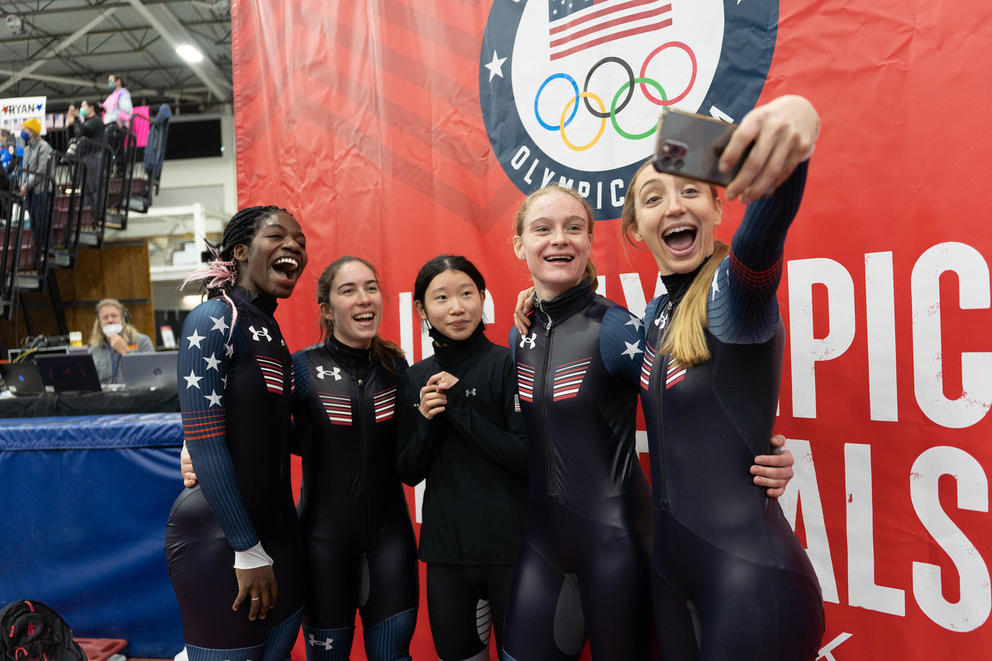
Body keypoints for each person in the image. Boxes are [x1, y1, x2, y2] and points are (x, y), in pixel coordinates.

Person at [504, 184, 796, 660]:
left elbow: (695, 393)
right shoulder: (523, 331)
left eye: (574, 228)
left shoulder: (616, 327)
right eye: (543, 229)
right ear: (521, 244)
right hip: (544, 544)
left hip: (616, 544)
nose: (559, 239)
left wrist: (759, 452)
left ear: (589, 242)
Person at [623, 94, 825, 659]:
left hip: (752, 580)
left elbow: (765, 235)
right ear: (637, 228)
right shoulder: (652, 319)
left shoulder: (735, 296)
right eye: (654, 197)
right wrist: (536, 303)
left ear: (717, 207)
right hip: (673, 576)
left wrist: (796, 125)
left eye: (690, 190)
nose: (674, 207)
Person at [164, 205, 308, 661]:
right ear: (241, 252)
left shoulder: (271, 330)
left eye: (301, 241)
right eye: (278, 237)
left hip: (279, 537)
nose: (294, 247)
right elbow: (205, 440)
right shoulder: (212, 318)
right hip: (221, 539)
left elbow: (274, 435)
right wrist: (246, 549)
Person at [395, 255, 528, 661]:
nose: (457, 307)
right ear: (421, 309)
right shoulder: (415, 376)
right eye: (442, 297)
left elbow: (525, 456)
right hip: (447, 557)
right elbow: (408, 470)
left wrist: (459, 410)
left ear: (483, 298)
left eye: (467, 294)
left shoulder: (508, 363)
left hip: (511, 552)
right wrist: (427, 419)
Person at [292, 256, 419, 661]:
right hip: (322, 546)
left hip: (391, 542)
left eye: (370, 287)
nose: (364, 298)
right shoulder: (302, 367)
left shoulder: (395, 365)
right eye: (348, 290)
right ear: (327, 310)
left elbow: (409, 455)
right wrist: (194, 447)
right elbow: (258, 431)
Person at [87, 298, 154, 385]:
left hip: (135, 396)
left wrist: (125, 351)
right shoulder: (93, 351)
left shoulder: (142, 342)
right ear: (100, 323)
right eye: (105, 317)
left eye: (114, 316)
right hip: (105, 397)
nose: (110, 320)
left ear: (123, 319)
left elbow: (151, 374)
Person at [66, 100, 106, 211]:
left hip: (94, 156)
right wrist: (70, 124)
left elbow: (85, 131)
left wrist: (77, 118)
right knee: (85, 187)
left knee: (94, 185)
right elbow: (74, 136)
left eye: (83, 106)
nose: (81, 108)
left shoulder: (96, 121)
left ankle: (99, 212)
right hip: (83, 158)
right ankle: (92, 212)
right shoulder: (84, 123)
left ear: (91, 107)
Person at [18, 118, 53, 243]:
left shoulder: (44, 147)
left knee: (42, 220)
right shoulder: (27, 149)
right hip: (30, 191)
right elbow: (24, 170)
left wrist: (26, 186)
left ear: (32, 131)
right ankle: (37, 247)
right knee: (33, 221)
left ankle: (47, 249)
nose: (22, 132)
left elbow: (41, 171)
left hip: (41, 190)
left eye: (24, 129)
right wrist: (22, 185)